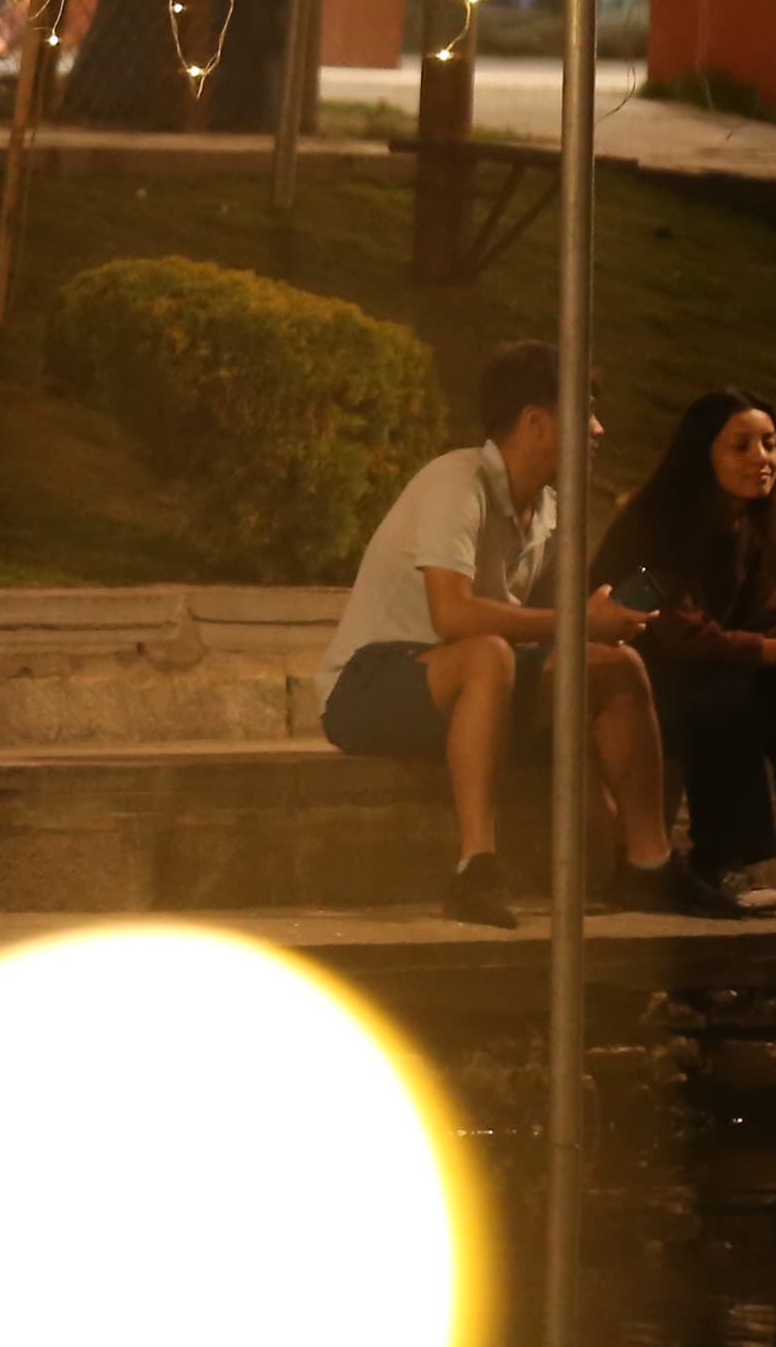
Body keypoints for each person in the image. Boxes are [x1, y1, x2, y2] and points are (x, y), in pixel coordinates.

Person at [317, 340, 744, 928]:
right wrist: (579, 622)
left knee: (615, 668)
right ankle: (476, 868)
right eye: (584, 413)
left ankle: (647, 866)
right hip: (370, 684)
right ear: (536, 422)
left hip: (476, 683)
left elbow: (553, 636)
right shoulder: (456, 481)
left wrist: (601, 624)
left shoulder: (549, 510)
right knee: (488, 654)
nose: (599, 429)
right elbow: (454, 617)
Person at [589, 388, 776, 914]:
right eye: (742, 446)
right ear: (701, 454)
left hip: (709, 671)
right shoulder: (653, 526)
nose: (762, 459)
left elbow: (768, 620)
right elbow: (683, 637)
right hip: (635, 680)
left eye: (770, 444)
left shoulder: (750, 525)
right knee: (723, 695)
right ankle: (720, 861)